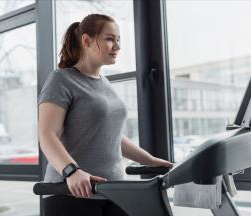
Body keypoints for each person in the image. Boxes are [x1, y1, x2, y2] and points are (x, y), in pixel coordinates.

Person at [38, 14, 173, 216]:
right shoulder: (61, 80)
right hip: (70, 194)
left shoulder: (105, 84)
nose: (117, 46)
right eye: (110, 39)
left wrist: (151, 160)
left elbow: (112, 136)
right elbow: (47, 134)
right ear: (86, 40)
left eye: (119, 40)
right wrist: (71, 171)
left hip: (114, 192)